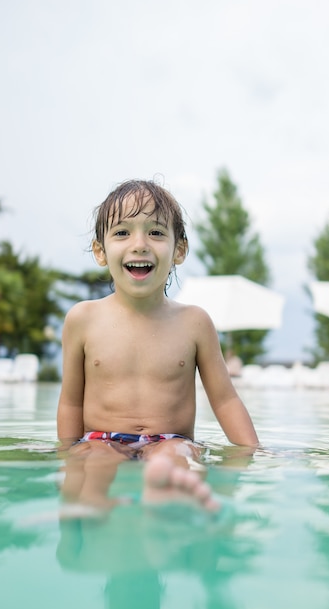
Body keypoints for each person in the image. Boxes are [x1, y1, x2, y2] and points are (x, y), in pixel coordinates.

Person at [57, 179, 259, 513]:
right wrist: (67, 453)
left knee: (174, 458)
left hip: (171, 440)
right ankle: (87, 518)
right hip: (100, 439)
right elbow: (70, 402)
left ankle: (163, 505)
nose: (139, 245)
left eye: (155, 232)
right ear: (100, 251)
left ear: (179, 250)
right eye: (122, 233)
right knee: (92, 463)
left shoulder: (194, 322)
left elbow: (225, 399)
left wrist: (252, 449)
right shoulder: (83, 319)